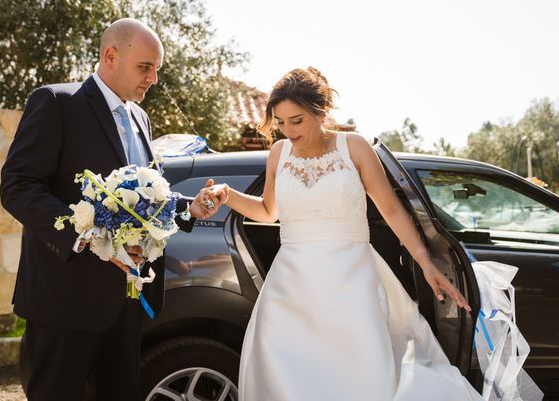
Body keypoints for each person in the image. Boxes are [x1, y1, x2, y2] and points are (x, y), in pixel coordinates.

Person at [206, 67, 483, 400]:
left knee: (357, 372)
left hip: (352, 281)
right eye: (280, 122)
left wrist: (425, 261)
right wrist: (227, 194)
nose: (288, 131)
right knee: (289, 374)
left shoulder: (353, 147)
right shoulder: (278, 154)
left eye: (297, 120)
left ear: (320, 112)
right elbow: (269, 212)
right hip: (290, 287)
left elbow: (392, 210)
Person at [0, 18, 221, 401]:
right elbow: (18, 186)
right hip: (64, 299)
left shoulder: (141, 119)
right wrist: (86, 236)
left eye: (157, 69)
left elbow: (145, 202)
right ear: (110, 56)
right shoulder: (57, 103)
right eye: (145, 67)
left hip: (128, 303)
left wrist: (190, 210)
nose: (153, 78)